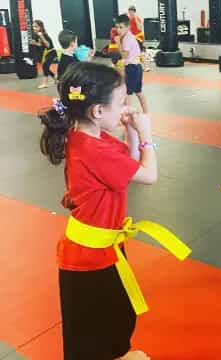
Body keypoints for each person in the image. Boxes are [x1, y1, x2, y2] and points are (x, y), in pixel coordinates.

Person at [38, 62, 156, 360]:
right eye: (121, 102)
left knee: (117, 314)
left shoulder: (89, 138)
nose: (125, 107)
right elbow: (148, 175)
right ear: (98, 111)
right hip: (91, 257)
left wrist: (129, 129)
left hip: (103, 247)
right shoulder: (94, 150)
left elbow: (127, 166)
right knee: (97, 326)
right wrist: (146, 135)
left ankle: (117, 354)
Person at [115, 14, 148, 113]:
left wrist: (118, 44)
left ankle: (128, 116)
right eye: (117, 27)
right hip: (136, 67)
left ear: (128, 27)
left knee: (127, 93)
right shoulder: (128, 36)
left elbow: (124, 55)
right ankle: (146, 113)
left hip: (132, 68)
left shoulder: (127, 39)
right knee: (138, 92)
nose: (118, 30)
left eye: (121, 27)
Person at [31, 20, 56, 89]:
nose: (34, 28)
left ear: (40, 27)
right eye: (33, 26)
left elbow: (48, 45)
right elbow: (41, 45)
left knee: (45, 66)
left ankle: (45, 83)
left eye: (36, 26)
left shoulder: (43, 34)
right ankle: (56, 79)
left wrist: (42, 36)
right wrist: (35, 43)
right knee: (46, 67)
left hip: (51, 52)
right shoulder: (37, 35)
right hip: (46, 53)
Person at [128, 5, 150, 72]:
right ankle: (140, 66)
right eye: (129, 11)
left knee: (140, 53)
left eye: (132, 11)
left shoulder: (136, 18)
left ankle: (146, 66)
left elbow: (139, 28)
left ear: (134, 11)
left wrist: (135, 17)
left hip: (138, 38)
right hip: (133, 39)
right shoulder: (129, 19)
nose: (130, 12)